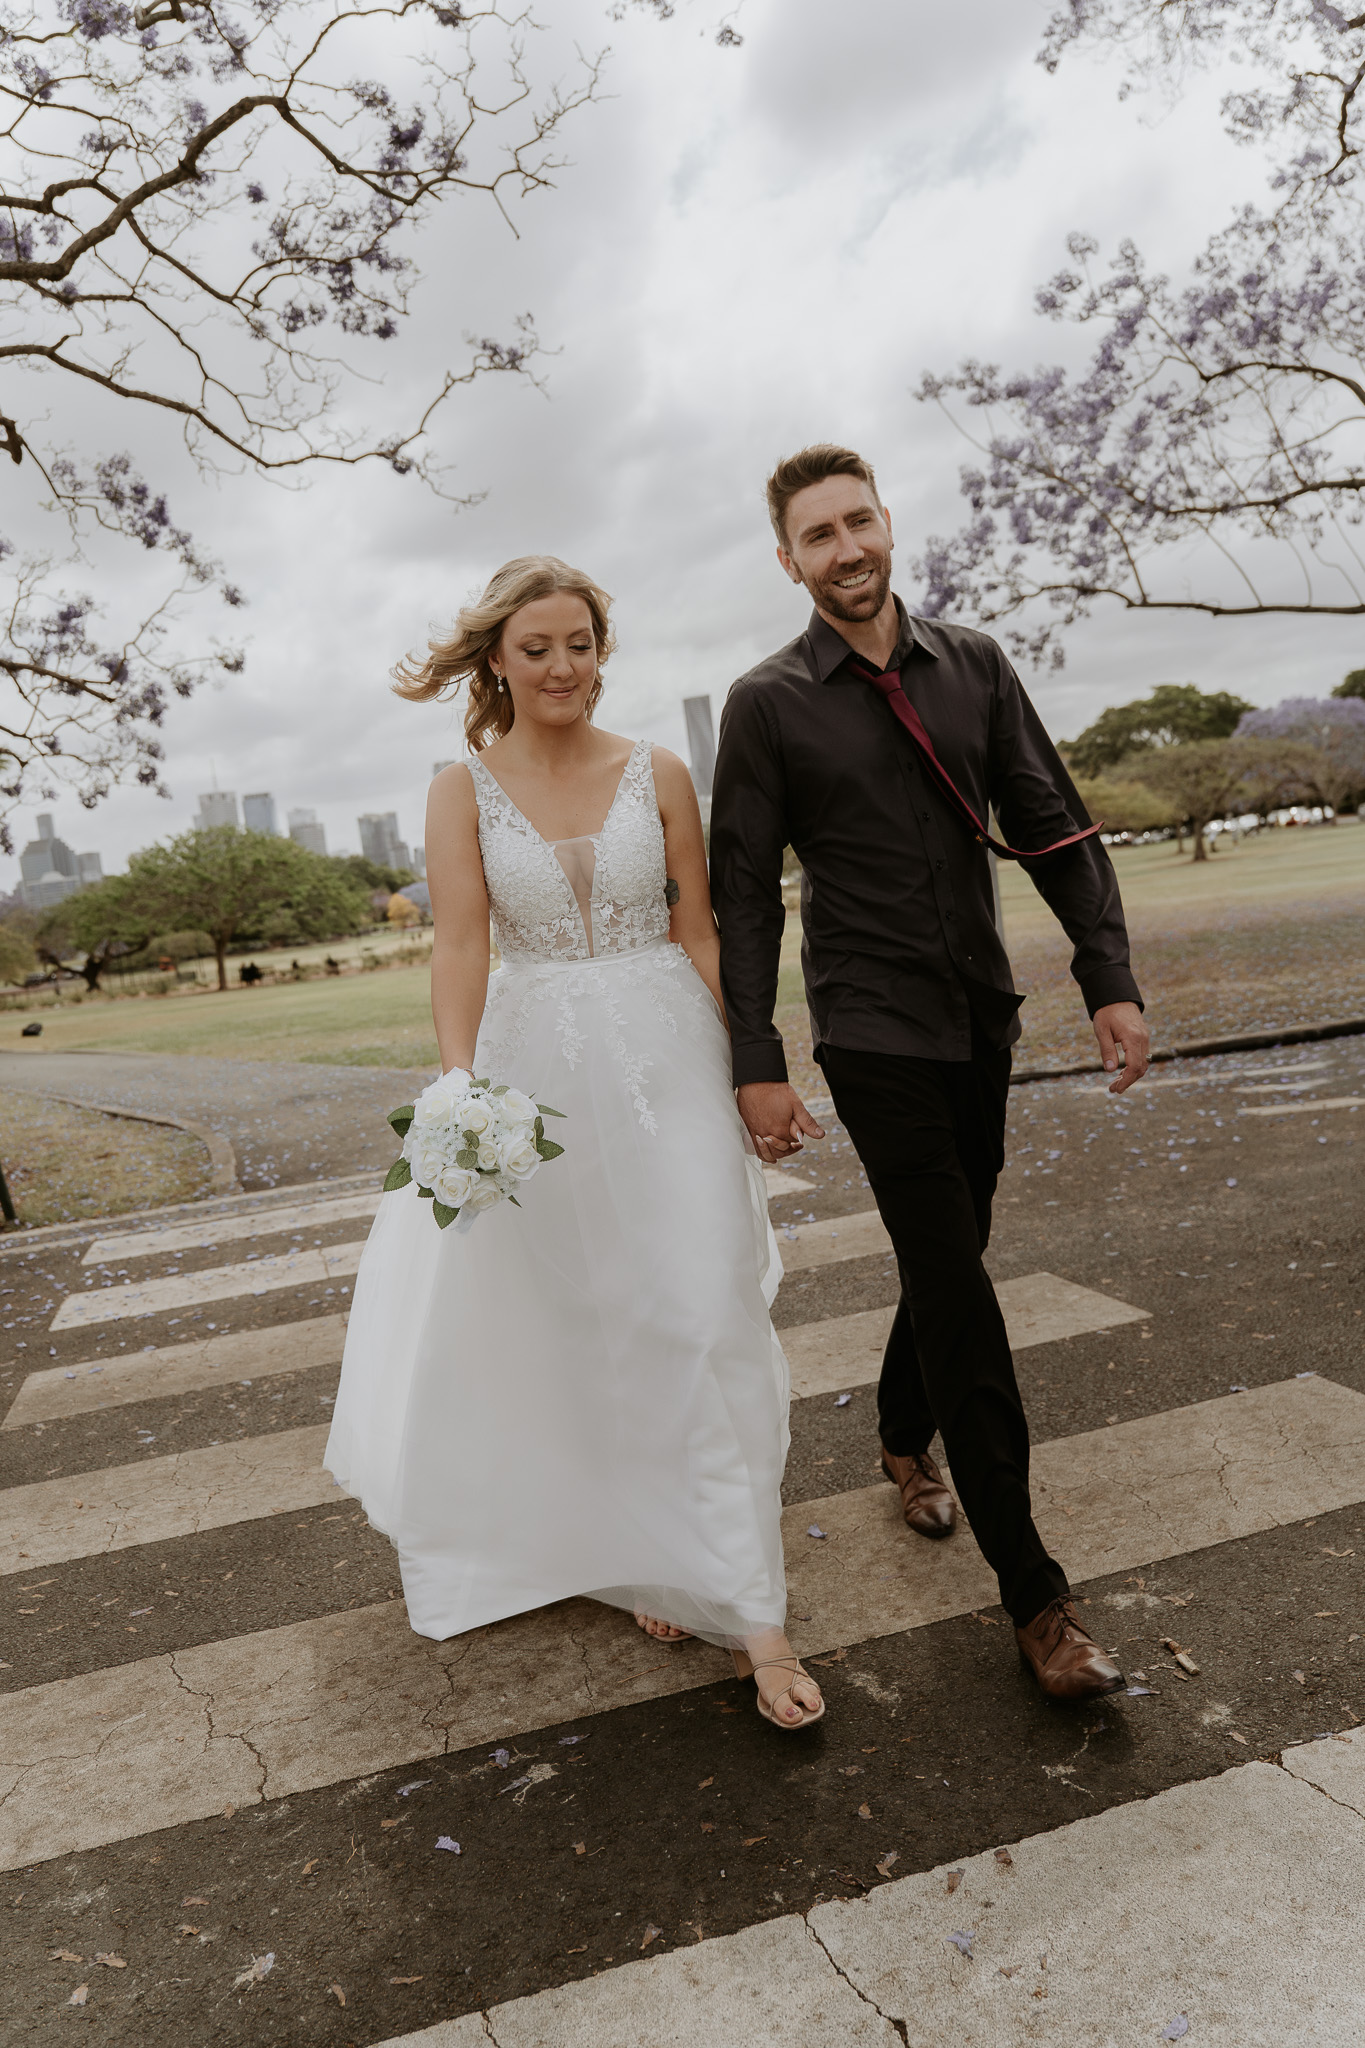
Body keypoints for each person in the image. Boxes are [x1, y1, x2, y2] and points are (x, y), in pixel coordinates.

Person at [325, 555, 823, 1730]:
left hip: (673, 1060)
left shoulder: (660, 771)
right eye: (537, 647)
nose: (562, 667)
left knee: (704, 1308)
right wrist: (459, 1086)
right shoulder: (459, 790)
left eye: (580, 644)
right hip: (537, 1080)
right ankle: (648, 1546)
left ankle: (756, 1616)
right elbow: (461, 944)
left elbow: (701, 931)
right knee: (598, 1318)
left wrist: (757, 1066)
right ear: (498, 660)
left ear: (604, 651)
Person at [709, 445, 1151, 1703]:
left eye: (858, 521)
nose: (845, 548)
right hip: (873, 1032)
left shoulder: (977, 664)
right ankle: (1038, 1599)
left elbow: (1052, 822)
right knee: (960, 1288)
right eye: (818, 534)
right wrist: (757, 1057)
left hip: (980, 1017)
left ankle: (903, 1431)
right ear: (788, 560)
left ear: (888, 525)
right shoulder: (766, 703)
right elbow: (746, 895)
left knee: (951, 1250)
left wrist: (1107, 975)